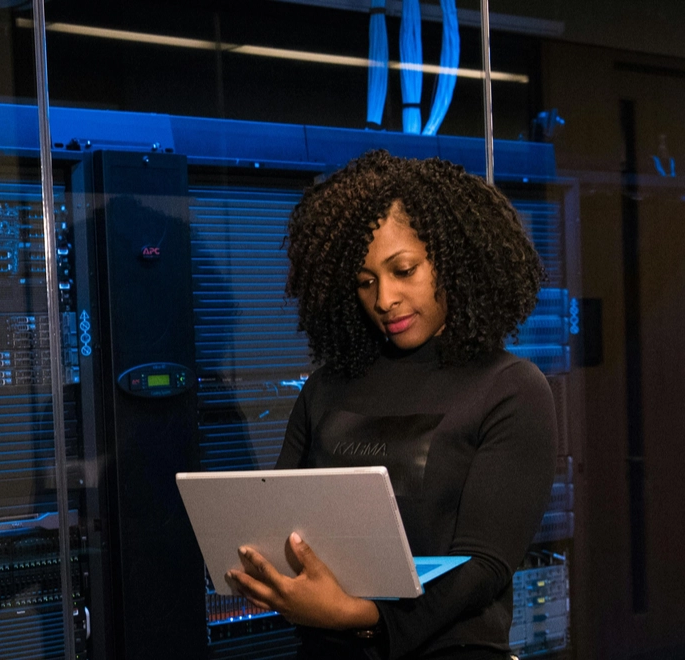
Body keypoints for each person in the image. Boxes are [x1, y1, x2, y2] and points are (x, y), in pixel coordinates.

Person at [222, 151, 557, 660]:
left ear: (454, 259)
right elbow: (279, 531)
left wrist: (366, 619)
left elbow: (485, 565)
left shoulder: (510, 388)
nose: (385, 298)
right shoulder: (325, 389)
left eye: (404, 270)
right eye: (365, 280)